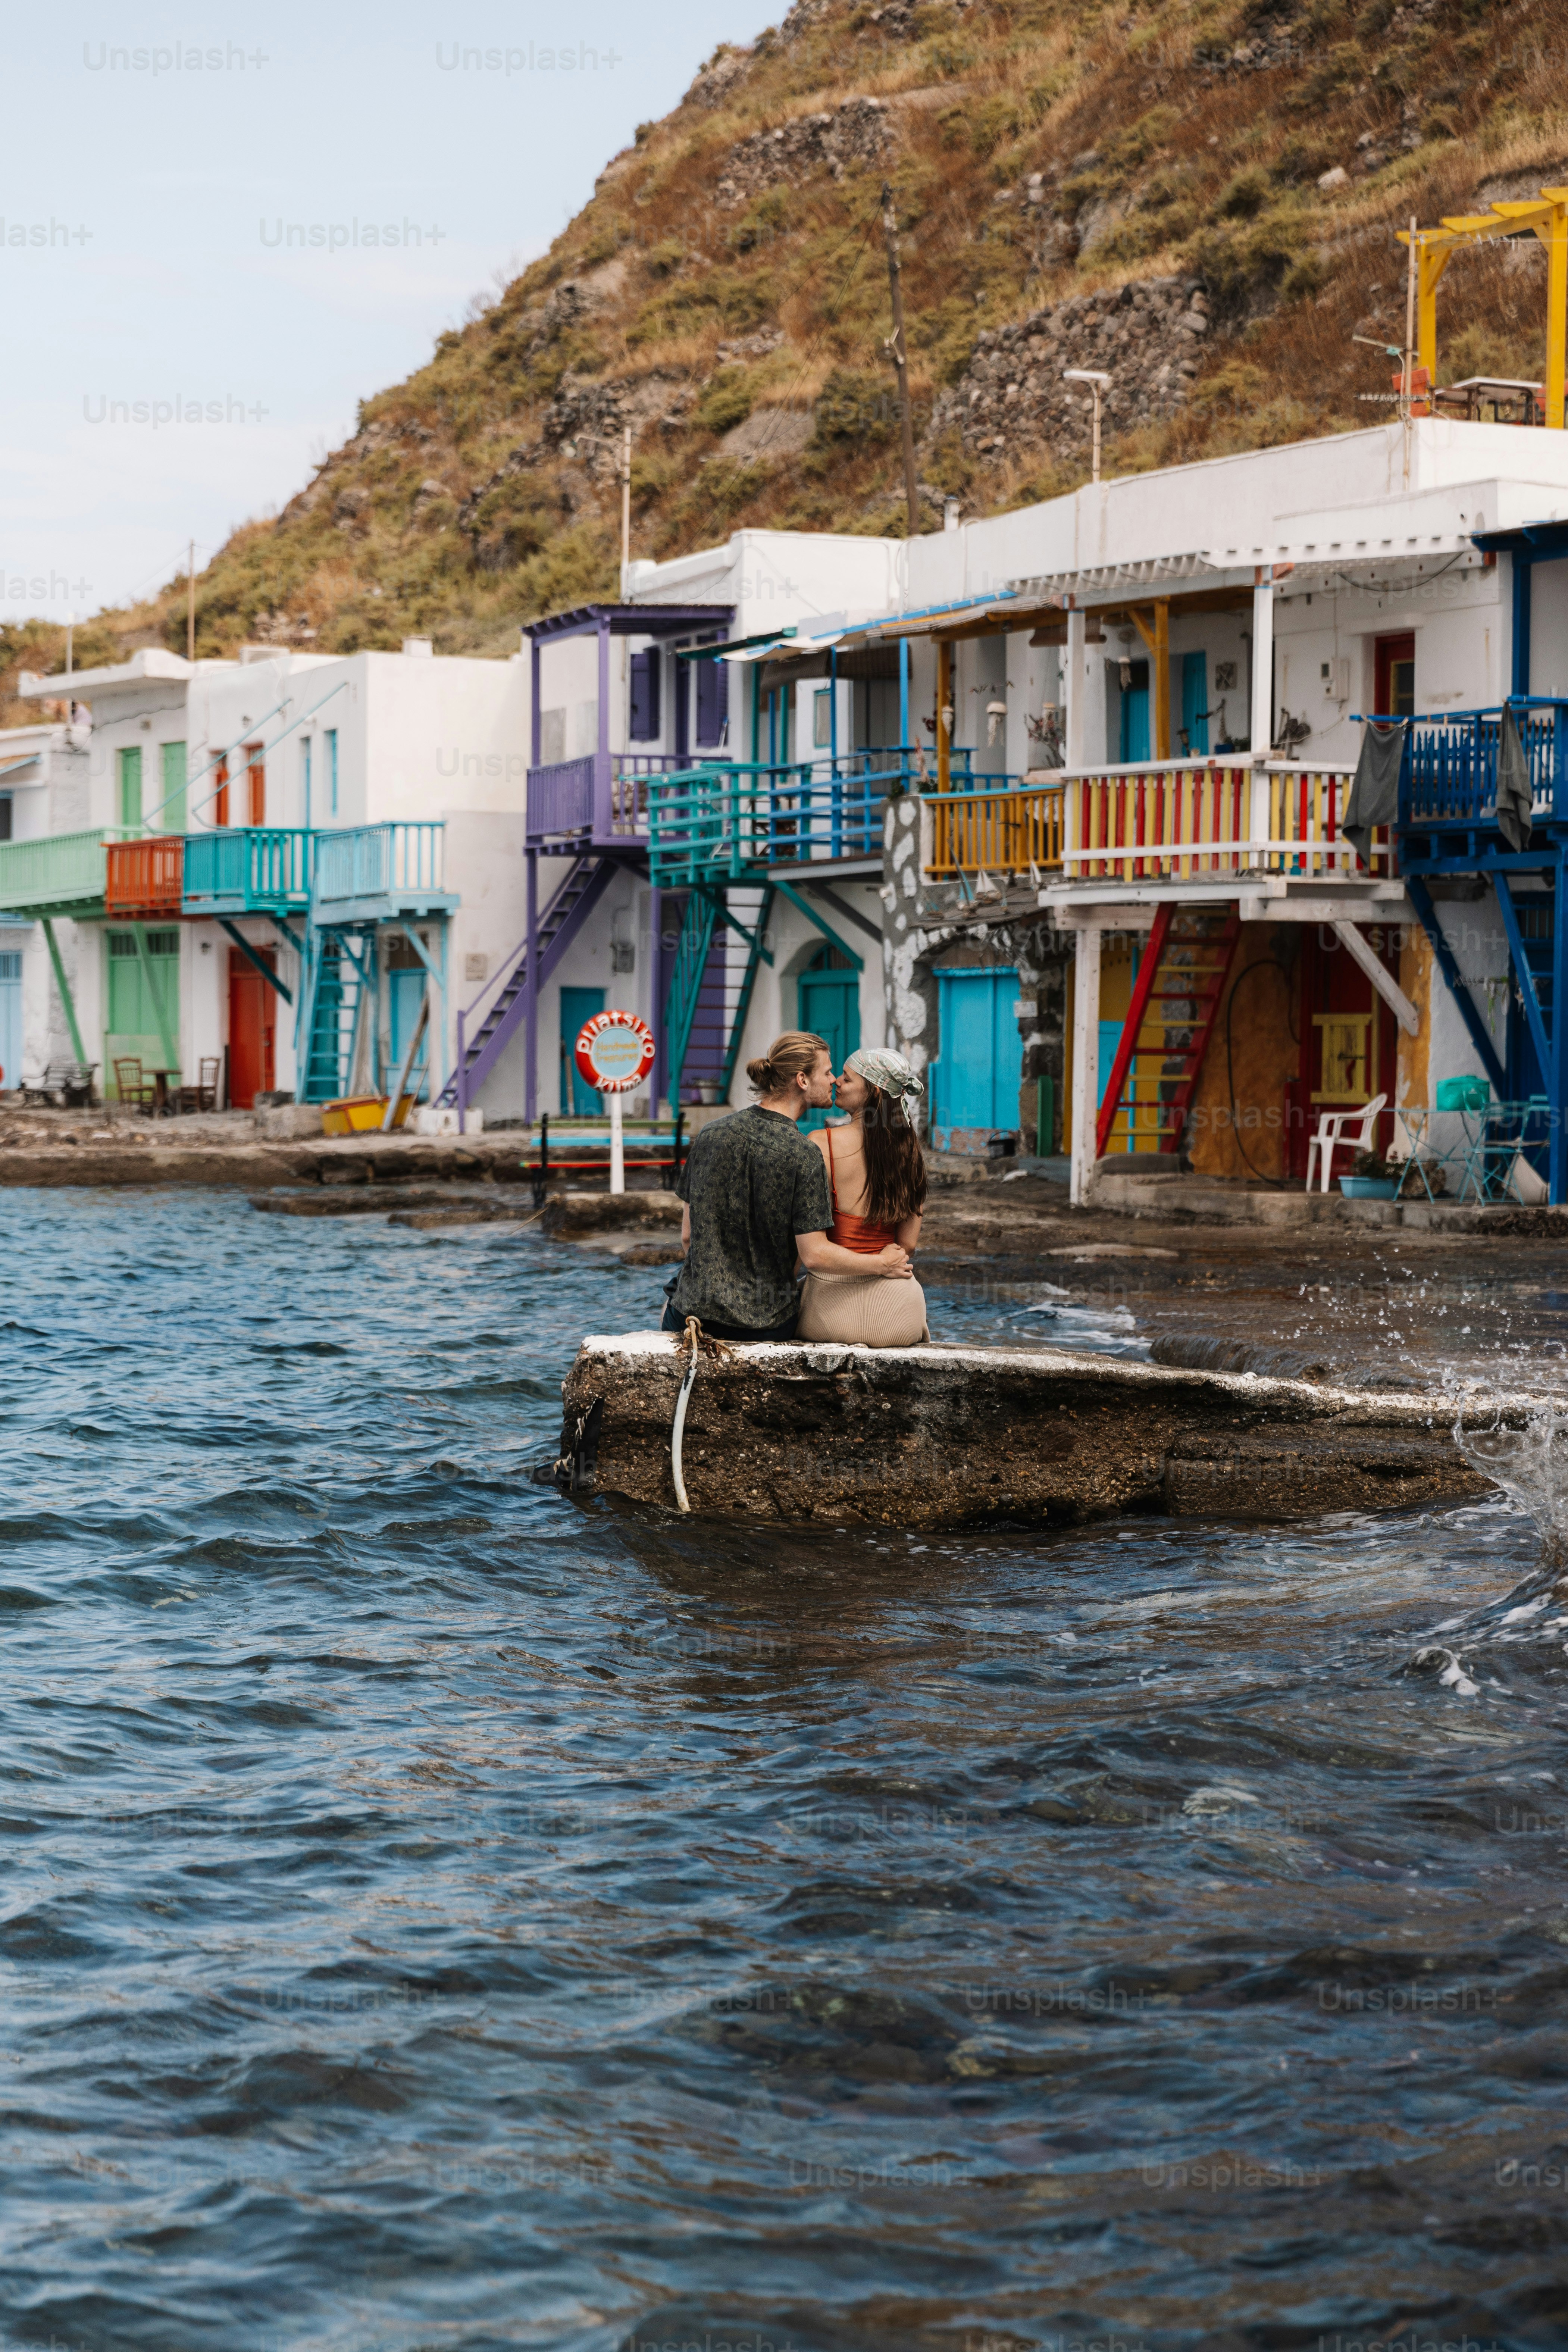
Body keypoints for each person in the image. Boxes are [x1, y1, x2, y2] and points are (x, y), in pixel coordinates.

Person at [662, 1031, 913, 1343]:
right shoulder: (803, 1153)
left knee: (671, 1296)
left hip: (692, 1316)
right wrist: (881, 1264)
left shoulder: (710, 1134)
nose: (833, 1080)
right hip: (765, 1325)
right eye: (827, 1072)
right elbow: (815, 1255)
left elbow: (688, 1237)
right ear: (802, 1081)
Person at [797, 1046, 929, 1347]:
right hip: (899, 1314)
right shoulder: (909, 1149)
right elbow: (907, 1245)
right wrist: (882, 1262)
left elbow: (810, 1252)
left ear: (873, 1092)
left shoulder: (820, 1143)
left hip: (828, 1313)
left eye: (847, 1078)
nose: (837, 1082)